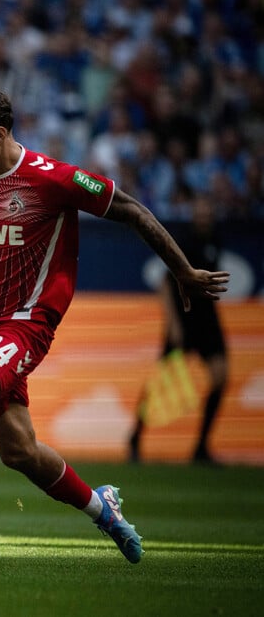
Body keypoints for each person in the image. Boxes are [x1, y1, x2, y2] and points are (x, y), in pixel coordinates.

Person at [0, 88, 229, 566]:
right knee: (20, 452)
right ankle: (102, 508)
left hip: (25, 323)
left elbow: (133, 210)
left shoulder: (52, 179)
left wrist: (183, 271)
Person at [129, 196, 229, 464]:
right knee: (161, 381)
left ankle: (201, 446)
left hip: (207, 320)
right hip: (184, 319)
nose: (204, 217)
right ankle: (135, 436)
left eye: (208, 212)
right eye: (200, 212)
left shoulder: (215, 241)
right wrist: (172, 323)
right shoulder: (184, 242)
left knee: (221, 376)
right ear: (193, 215)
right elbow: (165, 282)